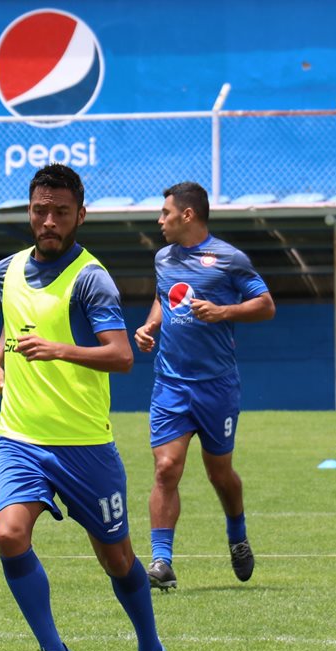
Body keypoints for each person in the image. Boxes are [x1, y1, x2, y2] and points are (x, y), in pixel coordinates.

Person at [0, 163, 169, 651]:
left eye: (61, 212)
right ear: (29, 211)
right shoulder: (6, 271)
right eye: (41, 210)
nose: (49, 221)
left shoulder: (92, 279)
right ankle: (54, 649)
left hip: (85, 447)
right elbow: (13, 325)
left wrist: (60, 350)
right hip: (20, 438)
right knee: (8, 535)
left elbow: (122, 355)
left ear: (80, 215)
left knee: (117, 560)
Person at [133, 181, 275, 590]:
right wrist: (149, 326)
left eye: (165, 213)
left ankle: (237, 534)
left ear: (187, 215)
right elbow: (164, 297)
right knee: (166, 468)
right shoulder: (163, 258)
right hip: (171, 385)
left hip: (217, 387)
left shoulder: (229, 259)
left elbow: (265, 305)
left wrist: (224, 310)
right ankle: (161, 563)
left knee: (220, 473)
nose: (160, 220)